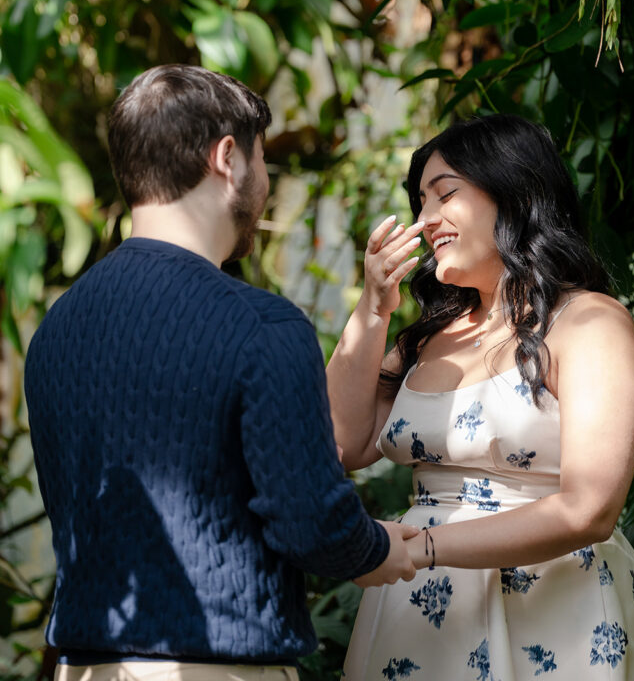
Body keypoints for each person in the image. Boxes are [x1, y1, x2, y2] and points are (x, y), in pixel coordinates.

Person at [24, 64, 418, 681]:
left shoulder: (56, 329)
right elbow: (311, 520)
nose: (263, 182)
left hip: (84, 667)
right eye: (263, 161)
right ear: (227, 158)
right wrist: (381, 548)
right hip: (215, 666)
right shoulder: (262, 325)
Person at [327, 114, 634, 680]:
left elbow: (590, 509)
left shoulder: (587, 321)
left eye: (446, 195)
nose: (426, 220)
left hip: (554, 603)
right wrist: (372, 311)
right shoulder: (425, 337)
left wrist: (423, 550)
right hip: (420, 612)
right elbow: (342, 444)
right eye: (420, 202)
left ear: (513, 192)